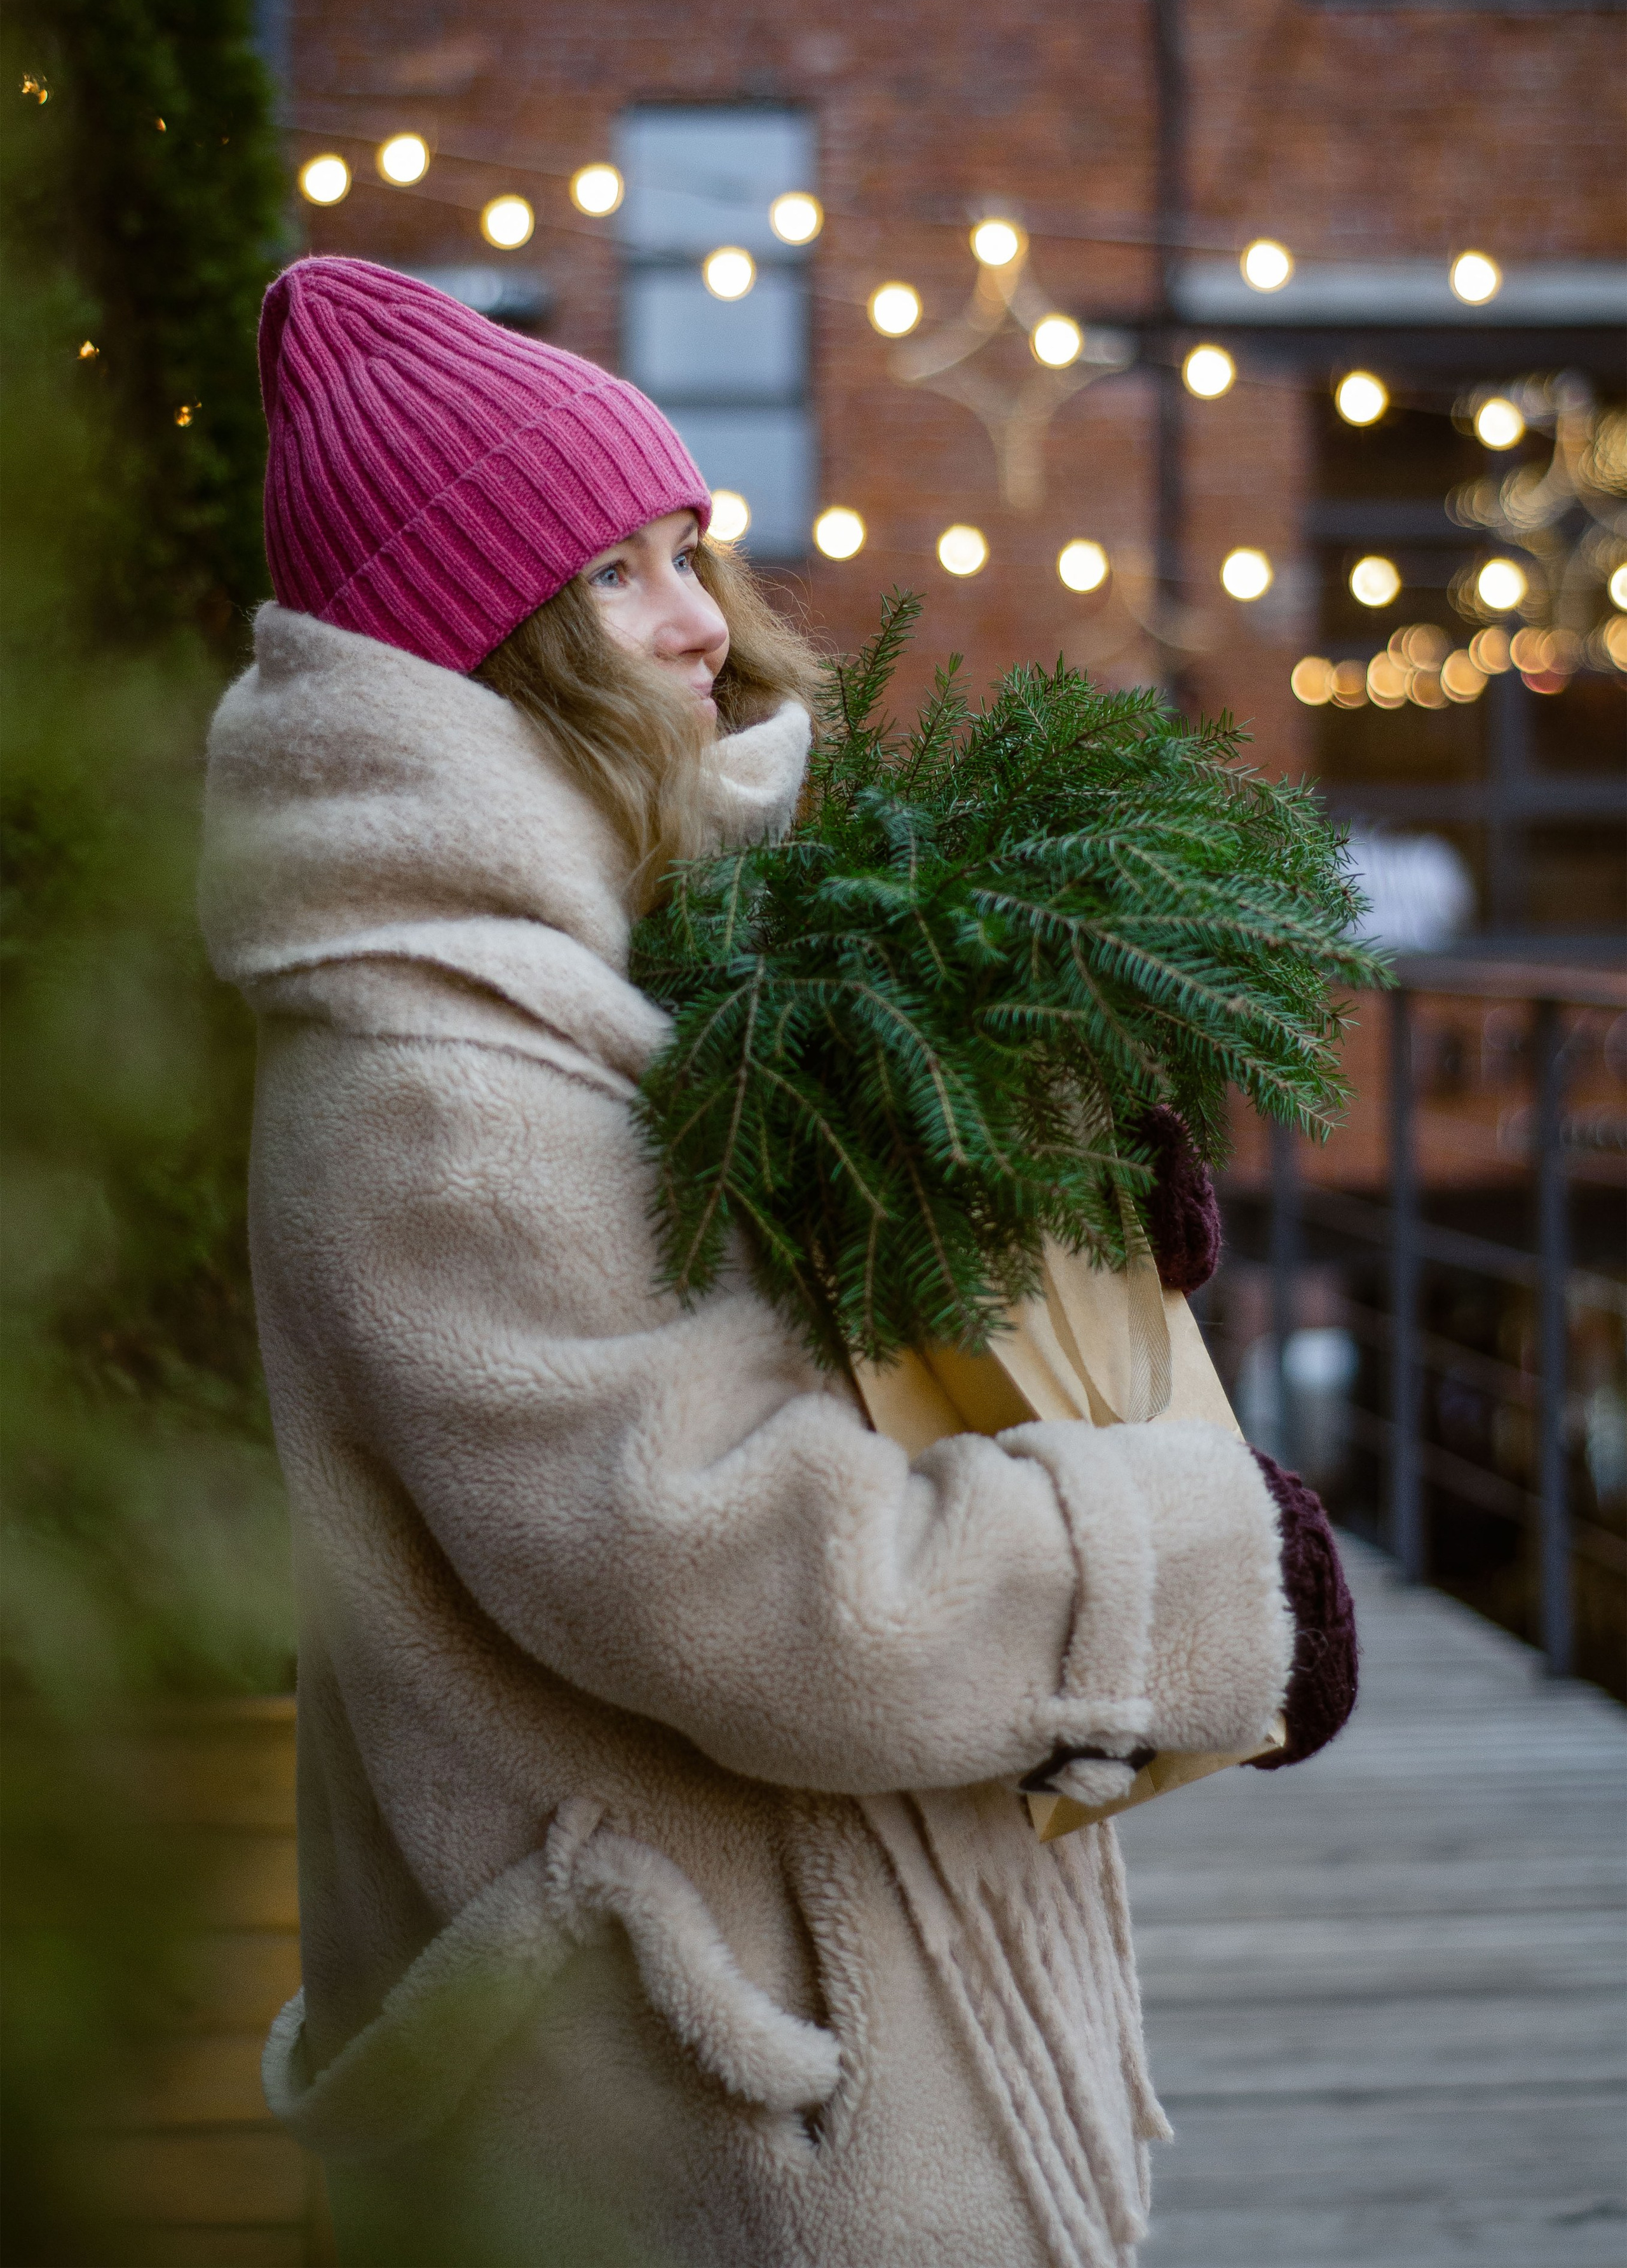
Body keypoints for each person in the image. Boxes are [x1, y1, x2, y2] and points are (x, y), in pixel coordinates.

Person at [201, 257, 1356, 2268]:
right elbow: (729, 1555)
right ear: (485, 654)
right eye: (620, 580)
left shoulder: (665, 942)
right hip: (704, 2121)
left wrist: (1036, 1207)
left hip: (805, 2055)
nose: (701, 631)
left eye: (688, 553)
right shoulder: (430, 1084)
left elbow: (807, 1321)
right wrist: (1191, 1566)